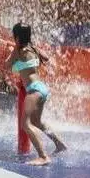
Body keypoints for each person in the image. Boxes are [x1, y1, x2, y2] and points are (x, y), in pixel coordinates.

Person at [9, 23, 66, 166]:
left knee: (25, 124)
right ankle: (60, 144)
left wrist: (14, 51)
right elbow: (46, 58)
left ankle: (43, 156)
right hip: (42, 88)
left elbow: (7, 66)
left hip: (33, 90)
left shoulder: (18, 51)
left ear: (16, 38)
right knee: (37, 122)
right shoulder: (33, 49)